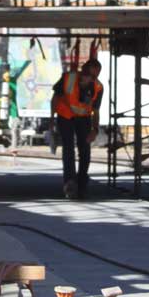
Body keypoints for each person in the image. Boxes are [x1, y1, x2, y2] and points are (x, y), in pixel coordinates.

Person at [50, 58, 103, 200]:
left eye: (94, 76)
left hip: (83, 118)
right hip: (65, 115)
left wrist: (95, 129)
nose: (90, 79)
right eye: (88, 75)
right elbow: (55, 98)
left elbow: (96, 111)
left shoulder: (98, 87)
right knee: (68, 149)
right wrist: (51, 120)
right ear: (82, 72)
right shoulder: (68, 78)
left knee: (85, 150)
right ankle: (69, 183)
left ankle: (82, 184)